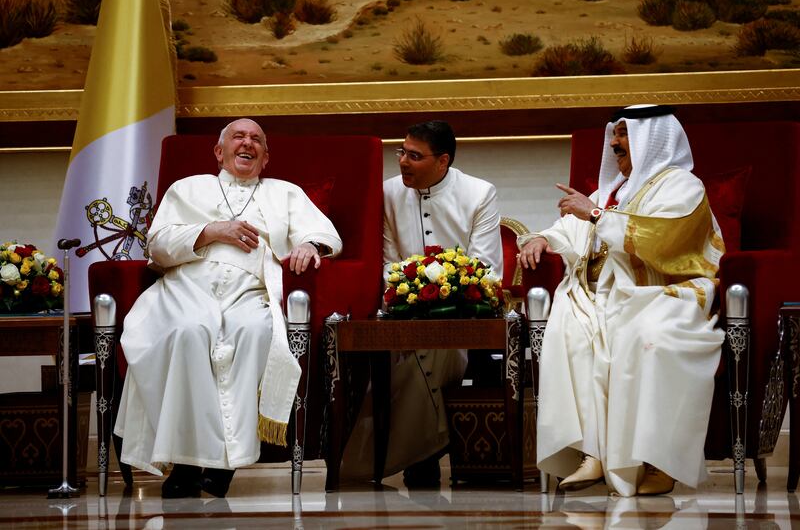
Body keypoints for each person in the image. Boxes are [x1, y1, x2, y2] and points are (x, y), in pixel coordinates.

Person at [114, 118, 342, 498]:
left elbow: (323, 232)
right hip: (187, 286)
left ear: (265, 158)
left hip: (251, 289)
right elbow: (157, 244)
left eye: (256, 140)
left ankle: (227, 463)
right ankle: (185, 465)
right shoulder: (186, 189)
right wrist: (212, 231)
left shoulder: (285, 192)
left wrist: (309, 245)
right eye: (238, 136)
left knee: (254, 333)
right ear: (219, 152)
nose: (247, 143)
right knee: (188, 333)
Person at [518, 105, 724, 497]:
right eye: (614, 134)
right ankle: (592, 453)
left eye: (624, 134)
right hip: (605, 292)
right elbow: (571, 227)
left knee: (645, 336)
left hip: (663, 292)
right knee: (575, 331)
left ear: (654, 138)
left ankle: (658, 462)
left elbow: (663, 242)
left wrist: (595, 214)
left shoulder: (681, 186)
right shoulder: (612, 190)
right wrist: (542, 238)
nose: (614, 143)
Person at [341, 120, 503, 486]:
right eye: (401, 152)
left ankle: (407, 454)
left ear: (443, 161)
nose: (403, 162)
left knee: (433, 345)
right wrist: (408, 289)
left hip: (462, 317)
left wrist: (448, 290)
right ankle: (428, 448)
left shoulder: (479, 193)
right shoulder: (387, 193)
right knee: (417, 344)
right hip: (400, 313)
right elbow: (385, 260)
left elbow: (487, 267)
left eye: (415, 156)